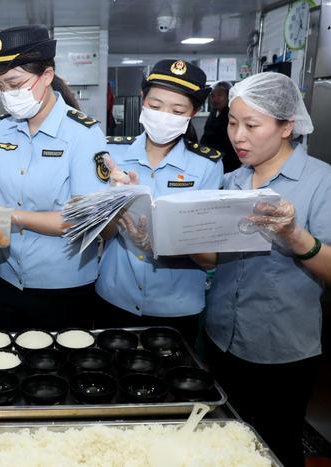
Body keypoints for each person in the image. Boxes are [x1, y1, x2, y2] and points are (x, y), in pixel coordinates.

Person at [204, 72, 331, 467]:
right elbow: (212, 259)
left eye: (252, 125)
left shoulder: (321, 182)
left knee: (278, 444)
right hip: (221, 337)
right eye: (232, 122)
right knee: (224, 443)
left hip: (283, 349)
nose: (238, 136)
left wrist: (295, 237)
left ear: (286, 127)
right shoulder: (230, 181)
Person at [0, 25, 107, 331]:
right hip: (7, 279)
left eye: (15, 84)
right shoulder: (6, 130)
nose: (7, 95)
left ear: (46, 76)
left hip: (63, 289)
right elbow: (1, 195)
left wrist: (12, 216)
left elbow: (83, 221)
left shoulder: (83, 134)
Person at [95, 59, 223, 344]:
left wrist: (159, 243)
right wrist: (116, 203)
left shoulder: (206, 165)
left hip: (176, 307)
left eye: (177, 111)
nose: (164, 116)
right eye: (155, 106)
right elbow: (100, 236)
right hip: (116, 297)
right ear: (142, 100)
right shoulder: (112, 154)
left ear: (193, 113)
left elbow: (208, 251)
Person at [201, 81, 239, 173]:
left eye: (219, 95)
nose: (215, 99)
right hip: (209, 160)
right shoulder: (214, 112)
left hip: (228, 163)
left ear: (228, 96)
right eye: (213, 96)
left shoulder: (233, 114)